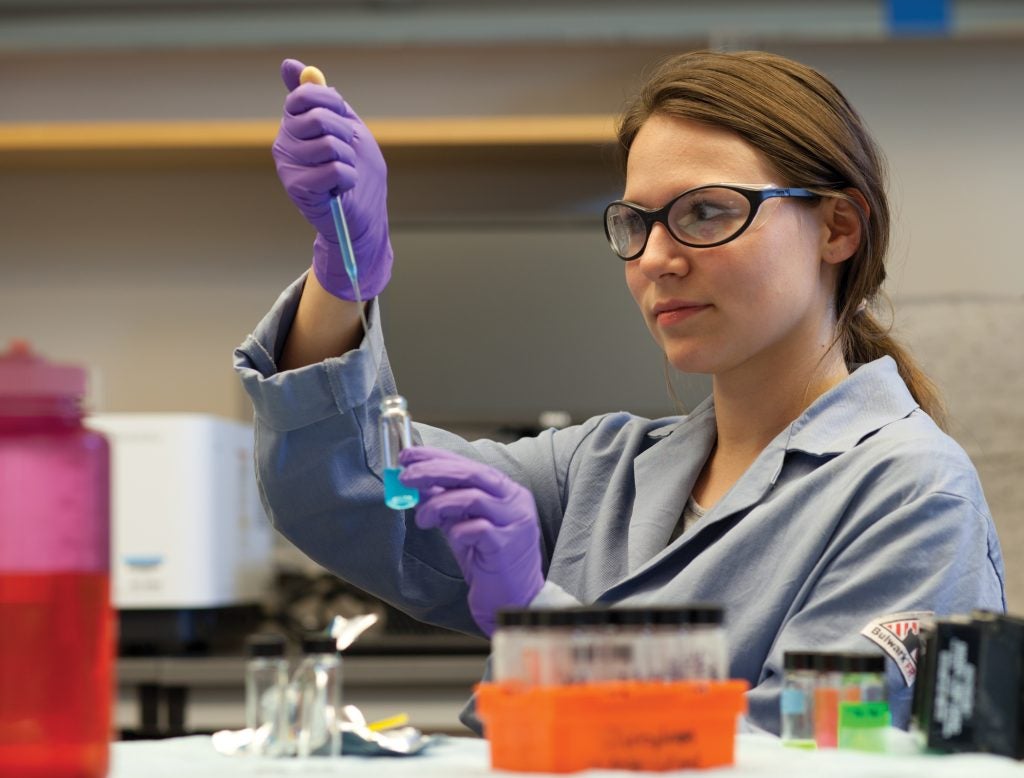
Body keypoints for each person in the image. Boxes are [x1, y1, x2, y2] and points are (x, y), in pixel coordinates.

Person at [234, 51, 1006, 735]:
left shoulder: (912, 494)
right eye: (636, 223)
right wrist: (343, 278)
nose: (657, 258)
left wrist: (539, 616)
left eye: (706, 212)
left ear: (838, 227)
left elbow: (804, 762)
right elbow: (345, 495)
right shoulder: (599, 469)